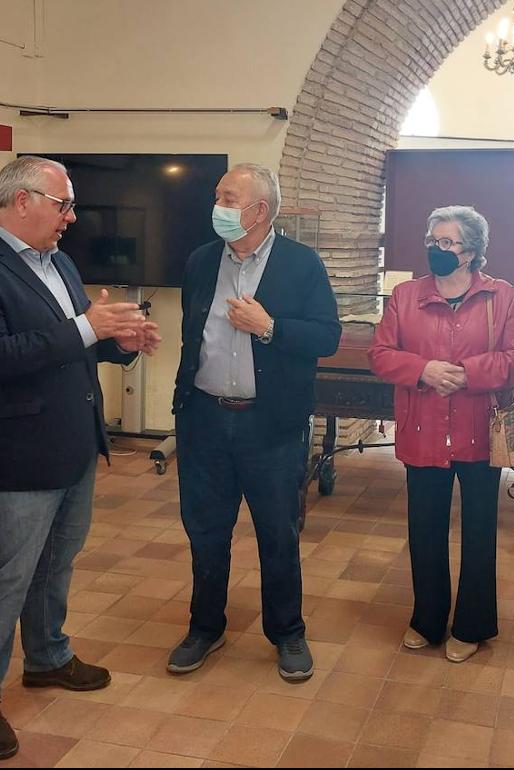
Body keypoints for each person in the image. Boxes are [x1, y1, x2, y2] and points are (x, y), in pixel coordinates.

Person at [0, 156, 160, 760]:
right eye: (63, 205)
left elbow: (65, 350)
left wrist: (118, 343)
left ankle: (47, 656)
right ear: (21, 200)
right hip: (13, 456)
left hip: (73, 444)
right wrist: (88, 328)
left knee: (57, 563)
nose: (71, 217)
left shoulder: (60, 262)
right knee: (5, 577)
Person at [168, 163, 341, 681]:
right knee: (205, 531)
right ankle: (205, 627)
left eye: (226, 197)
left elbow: (327, 337)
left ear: (258, 211)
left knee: (277, 533)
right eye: (218, 195)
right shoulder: (201, 261)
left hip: (271, 427)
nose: (215, 205)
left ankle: (287, 633)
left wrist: (270, 328)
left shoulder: (300, 264)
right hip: (204, 422)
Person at [369, 205, 514, 664]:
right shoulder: (405, 296)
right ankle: (427, 619)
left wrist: (467, 374)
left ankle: (473, 624)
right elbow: (380, 355)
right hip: (423, 429)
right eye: (433, 240)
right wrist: (423, 369)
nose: (436, 249)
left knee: (480, 531)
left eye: (448, 242)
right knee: (424, 530)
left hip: (479, 429)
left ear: (472, 251)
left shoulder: (500, 297)